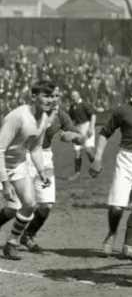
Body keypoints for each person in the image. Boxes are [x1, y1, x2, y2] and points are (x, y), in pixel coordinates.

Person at [91, 72, 132, 260]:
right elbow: (104, 133)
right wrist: (97, 158)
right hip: (127, 160)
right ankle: (111, 234)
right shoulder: (123, 110)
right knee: (117, 207)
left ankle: (128, 247)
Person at [15, 87, 85, 253]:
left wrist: (75, 136)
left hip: (45, 158)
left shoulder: (61, 115)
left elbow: (80, 138)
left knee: (46, 205)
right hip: (23, 155)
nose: (53, 99)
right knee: (20, 205)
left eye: (56, 96)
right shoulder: (29, 113)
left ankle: (28, 235)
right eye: (49, 96)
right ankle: (12, 239)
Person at [0, 80, 58, 260]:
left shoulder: (44, 119)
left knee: (29, 204)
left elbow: (34, 148)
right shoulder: (18, 117)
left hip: (17, 164)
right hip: (1, 162)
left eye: (52, 96)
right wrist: (5, 182)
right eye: (46, 96)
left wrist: (41, 171)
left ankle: (11, 244)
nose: (50, 100)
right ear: (34, 97)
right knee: (15, 207)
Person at [67, 89, 98, 179]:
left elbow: (93, 115)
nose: (74, 97)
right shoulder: (72, 107)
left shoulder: (83, 104)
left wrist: (91, 128)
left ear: (79, 96)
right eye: (72, 96)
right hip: (78, 129)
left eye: (76, 96)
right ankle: (77, 174)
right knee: (77, 152)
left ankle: (96, 167)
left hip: (87, 126)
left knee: (88, 150)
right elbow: (72, 119)